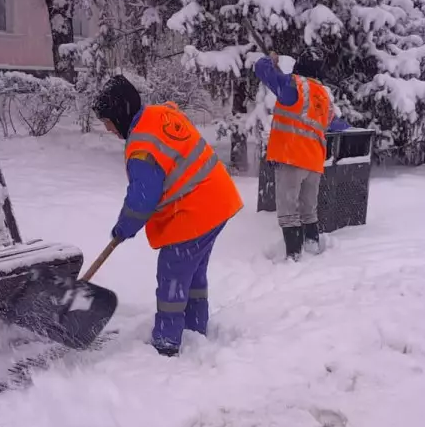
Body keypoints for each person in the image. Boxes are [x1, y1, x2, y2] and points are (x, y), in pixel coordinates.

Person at [93, 75, 243, 357]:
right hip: (218, 201)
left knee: (173, 277)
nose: (109, 129)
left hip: (193, 213)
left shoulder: (141, 149)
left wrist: (123, 228)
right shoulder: (159, 113)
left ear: (120, 114)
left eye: (108, 122)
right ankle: (196, 331)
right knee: (193, 275)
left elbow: (142, 200)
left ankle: (166, 344)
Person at [254, 52, 351, 261]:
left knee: (288, 212)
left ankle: (294, 258)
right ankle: (312, 249)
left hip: (292, 157)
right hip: (314, 162)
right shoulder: (323, 95)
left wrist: (269, 59)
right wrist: (349, 127)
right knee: (309, 211)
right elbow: (334, 124)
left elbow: (261, 70)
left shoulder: (293, 85)